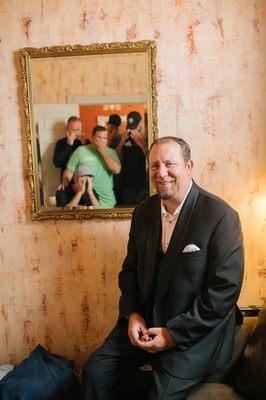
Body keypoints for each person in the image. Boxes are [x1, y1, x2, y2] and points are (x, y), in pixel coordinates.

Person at [81, 136, 244, 399]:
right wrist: (133, 314)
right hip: (144, 321)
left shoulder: (221, 217)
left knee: (160, 395)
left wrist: (172, 335)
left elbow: (223, 292)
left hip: (194, 333)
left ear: (189, 166)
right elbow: (130, 272)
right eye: (155, 165)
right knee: (95, 372)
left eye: (170, 164)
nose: (162, 172)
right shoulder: (143, 213)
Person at [61, 126, 121, 209]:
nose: (102, 140)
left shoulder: (111, 152)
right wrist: (65, 181)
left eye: (104, 138)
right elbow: (69, 171)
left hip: (107, 201)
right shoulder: (81, 150)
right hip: (87, 200)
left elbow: (117, 170)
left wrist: (102, 151)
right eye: (99, 137)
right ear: (93, 138)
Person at [116, 111, 148, 205]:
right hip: (126, 184)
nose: (132, 131)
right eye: (131, 127)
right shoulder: (124, 137)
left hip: (141, 184)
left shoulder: (146, 138)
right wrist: (121, 142)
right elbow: (117, 157)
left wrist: (141, 143)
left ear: (141, 124)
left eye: (135, 127)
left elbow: (150, 159)